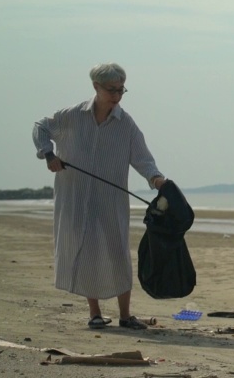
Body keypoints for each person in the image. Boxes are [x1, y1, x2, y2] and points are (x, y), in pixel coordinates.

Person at [32, 63, 167, 330]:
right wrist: (48, 154)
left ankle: (125, 315)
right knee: (85, 251)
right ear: (96, 87)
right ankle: (94, 314)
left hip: (110, 199)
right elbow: (40, 127)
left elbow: (142, 159)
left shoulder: (125, 124)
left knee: (117, 252)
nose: (117, 95)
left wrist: (157, 180)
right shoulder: (71, 116)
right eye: (111, 90)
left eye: (121, 90)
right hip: (74, 196)